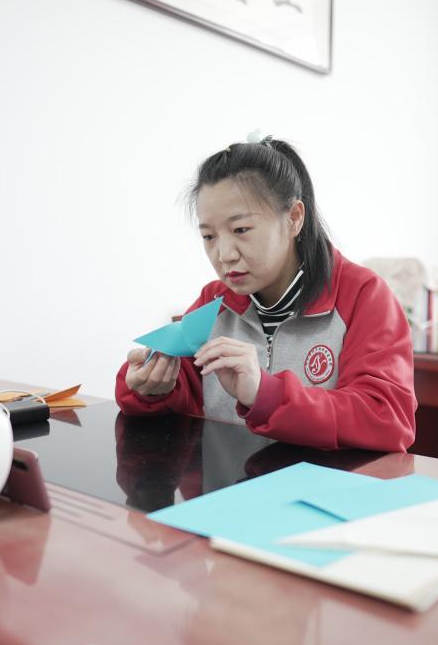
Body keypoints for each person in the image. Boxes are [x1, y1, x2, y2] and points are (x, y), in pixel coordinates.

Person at [114, 135, 416, 452]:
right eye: (209, 236)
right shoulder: (213, 302)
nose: (224, 254)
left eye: (241, 229)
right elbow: (181, 391)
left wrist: (265, 393)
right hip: (233, 482)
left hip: (323, 483)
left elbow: (387, 418)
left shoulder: (364, 296)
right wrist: (149, 386)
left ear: (294, 218)